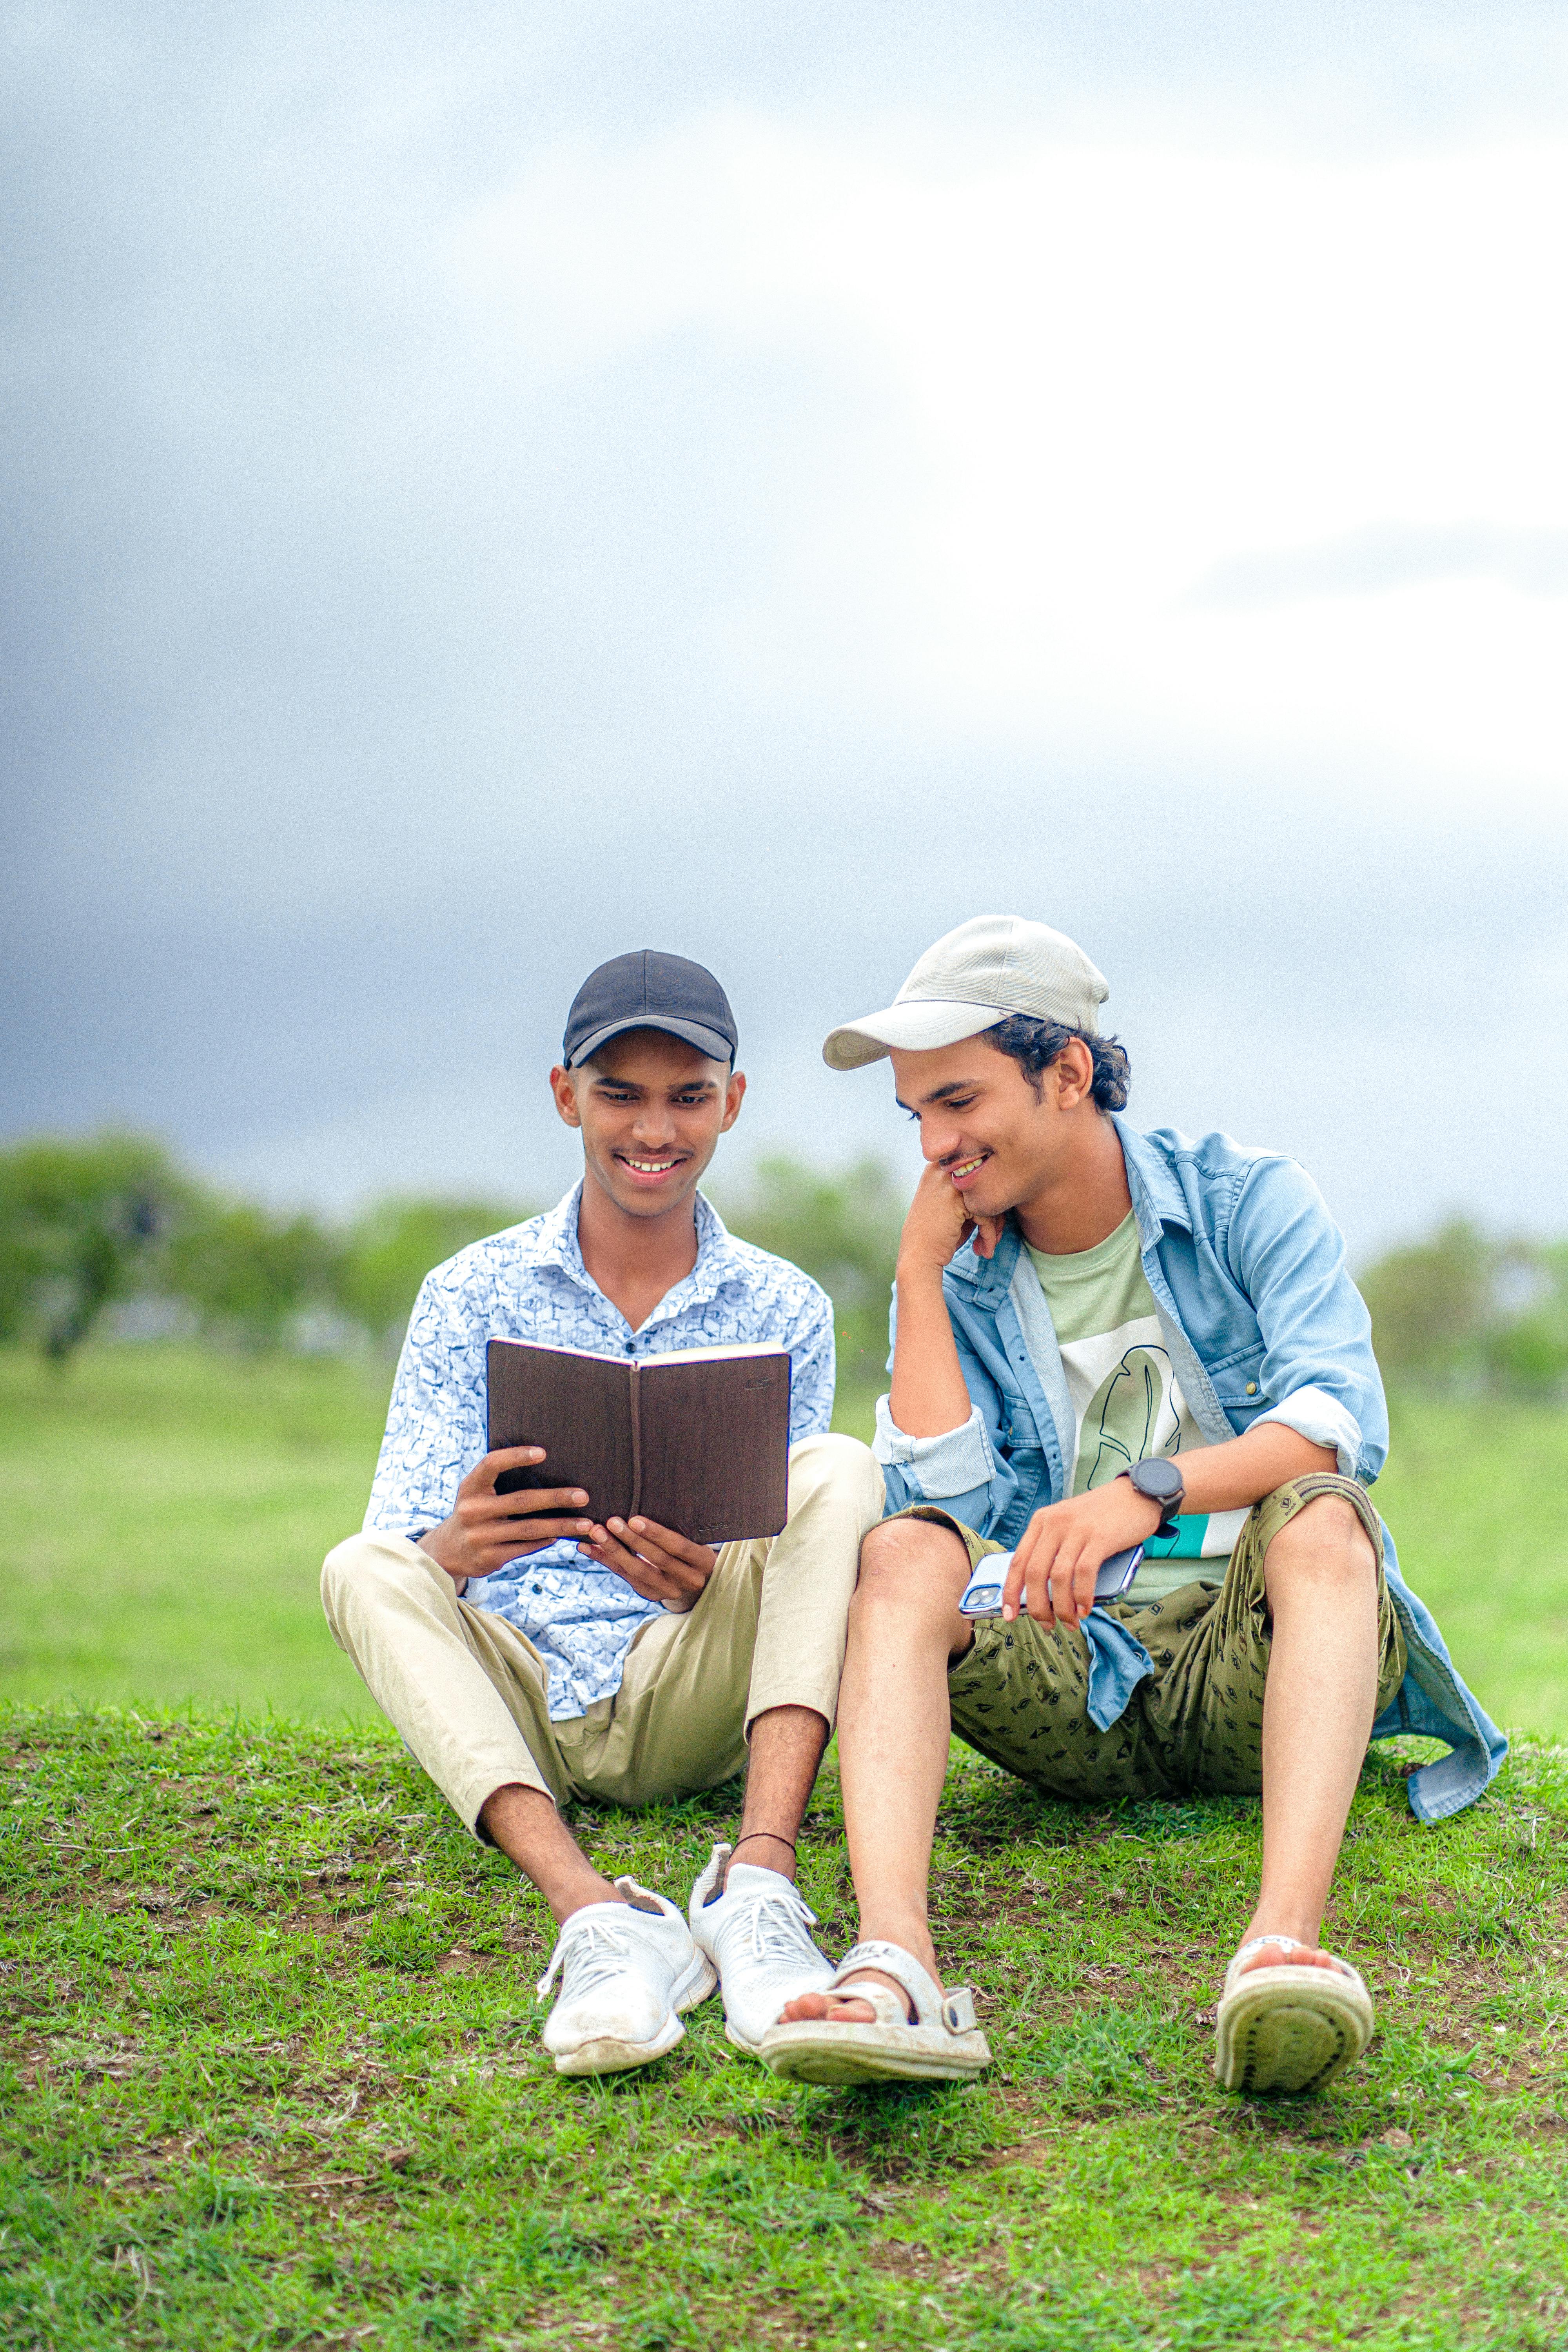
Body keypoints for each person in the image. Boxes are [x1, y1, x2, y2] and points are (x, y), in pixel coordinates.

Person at [759, 914, 1505, 2095]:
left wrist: (1142, 1492)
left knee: (1321, 1513)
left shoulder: (1244, 1199)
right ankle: (896, 1963)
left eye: (959, 1101)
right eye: (918, 1118)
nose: (937, 1145)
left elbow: (1337, 1421)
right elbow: (938, 1506)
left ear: (1067, 1072)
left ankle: (1282, 1946)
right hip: (1077, 1677)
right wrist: (916, 1275)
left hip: (1248, 1665)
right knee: (900, 1550)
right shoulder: (957, 1264)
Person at [322, 950, 883, 2077]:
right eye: (621, 1093)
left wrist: (707, 1580)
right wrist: (452, 1547)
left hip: (690, 1675)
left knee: (838, 1466)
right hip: (517, 1688)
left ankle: (757, 1883)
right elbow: (405, 1549)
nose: (654, 1128)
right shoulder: (468, 1292)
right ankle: (599, 1917)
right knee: (361, 1564)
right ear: (566, 1096)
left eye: (687, 1095)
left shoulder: (786, 1305)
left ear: (731, 1102)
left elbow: (786, 1556)